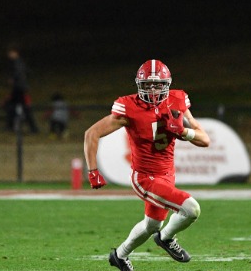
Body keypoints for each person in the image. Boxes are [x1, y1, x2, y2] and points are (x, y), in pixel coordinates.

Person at [84, 59, 210, 271]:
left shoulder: (177, 100)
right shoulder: (129, 107)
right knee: (191, 209)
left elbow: (204, 139)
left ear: (167, 85)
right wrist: (92, 170)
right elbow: (92, 133)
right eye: (147, 85)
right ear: (139, 85)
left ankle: (120, 256)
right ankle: (166, 238)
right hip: (144, 177)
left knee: (152, 225)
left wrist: (183, 131)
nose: (152, 90)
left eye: (157, 85)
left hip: (167, 174)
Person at [6, 43, 39, 134]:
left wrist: (12, 79)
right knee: (13, 106)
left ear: (15, 52)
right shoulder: (20, 62)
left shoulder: (17, 62)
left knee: (24, 108)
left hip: (19, 88)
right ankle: (10, 126)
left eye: (10, 53)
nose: (9, 55)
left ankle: (33, 128)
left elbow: (19, 73)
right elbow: (28, 71)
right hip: (19, 88)